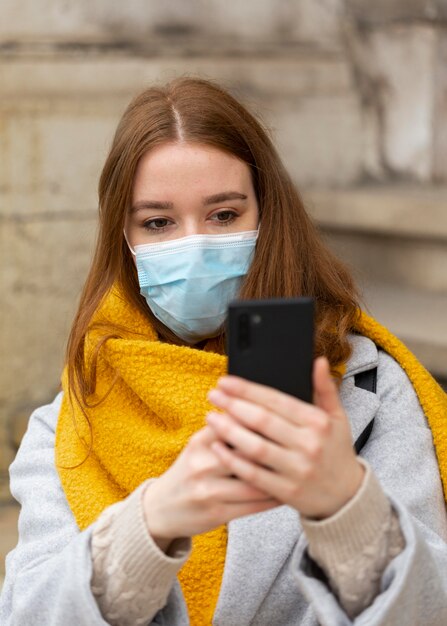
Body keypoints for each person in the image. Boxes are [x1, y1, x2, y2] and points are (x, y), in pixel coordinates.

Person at [1, 77, 447, 626]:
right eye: (158, 222)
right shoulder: (75, 418)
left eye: (224, 215)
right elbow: (26, 613)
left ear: (266, 214)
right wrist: (151, 523)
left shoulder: (370, 391)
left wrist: (348, 509)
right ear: (125, 236)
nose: (194, 245)